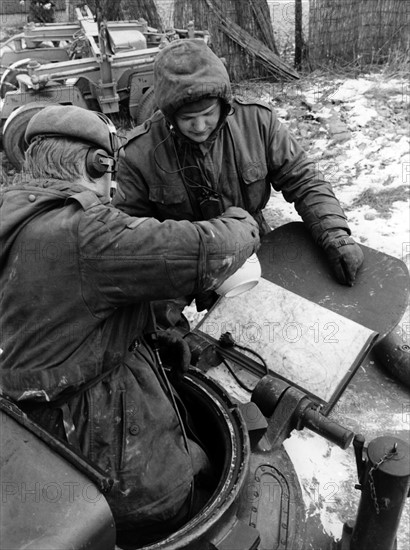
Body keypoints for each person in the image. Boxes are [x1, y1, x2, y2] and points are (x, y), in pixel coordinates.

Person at [0, 105, 259, 545]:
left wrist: (154, 332)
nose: (110, 191)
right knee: (170, 498)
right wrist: (244, 221)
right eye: (108, 175)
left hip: (30, 435)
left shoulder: (17, 214)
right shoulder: (82, 229)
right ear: (95, 164)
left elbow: (71, 307)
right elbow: (205, 251)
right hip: (92, 428)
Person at [113, 39, 364, 316]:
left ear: (224, 102)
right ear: (170, 114)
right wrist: (154, 321)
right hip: (182, 261)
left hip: (254, 246)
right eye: (187, 119)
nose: (199, 126)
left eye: (208, 114)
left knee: (278, 318)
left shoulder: (257, 122)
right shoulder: (139, 153)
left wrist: (335, 235)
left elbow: (304, 179)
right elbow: (132, 240)